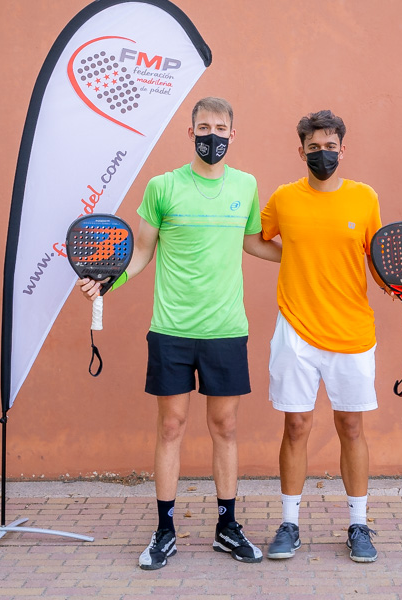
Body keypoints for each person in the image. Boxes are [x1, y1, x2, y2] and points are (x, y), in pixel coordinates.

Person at [79, 97, 281, 570]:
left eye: (221, 128)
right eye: (204, 127)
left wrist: (309, 255)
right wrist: (109, 280)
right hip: (171, 330)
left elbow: (252, 243)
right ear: (191, 133)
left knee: (225, 428)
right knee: (171, 428)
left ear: (233, 134)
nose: (213, 135)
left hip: (226, 330)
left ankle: (227, 528)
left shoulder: (247, 185)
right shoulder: (163, 187)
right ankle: (165, 531)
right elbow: (141, 252)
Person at [260, 110, 383, 563]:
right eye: (314, 148)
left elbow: (376, 256)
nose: (323, 154)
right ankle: (289, 524)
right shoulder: (284, 198)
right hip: (295, 330)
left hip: (352, 331)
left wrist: (396, 286)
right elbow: (254, 238)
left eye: (330, 147)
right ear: (301, 152)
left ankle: (358, 525)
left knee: (351, 426)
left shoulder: (365, 197)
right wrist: (292, 258)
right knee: (295, 426)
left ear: (342, 150)